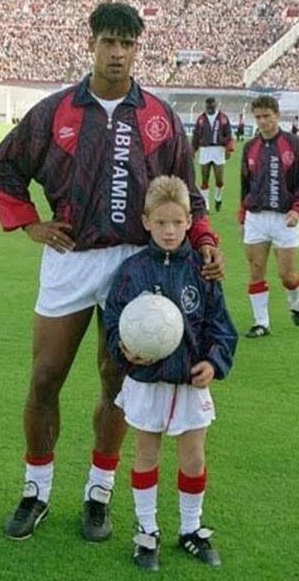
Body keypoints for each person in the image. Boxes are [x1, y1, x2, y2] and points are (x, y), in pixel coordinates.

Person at [0, 2, 224, 543]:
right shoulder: (54, 112)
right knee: (46, 377)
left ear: (137, 48)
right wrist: (30, 225)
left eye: (127, 43)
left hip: (135, 265)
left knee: (117, 383)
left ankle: (99, 493)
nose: (117, 53)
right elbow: (6, 166)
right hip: (71, 258)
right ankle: (36, 490)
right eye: (108, 42)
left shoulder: (159, 117)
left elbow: (186, 193)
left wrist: (205, 240)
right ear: (91, 43)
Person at [104, 176, 237, 571]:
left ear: (189, 222)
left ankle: (191, 529)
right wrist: (124, 351)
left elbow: (221, 326)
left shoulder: (203, 270)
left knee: (193, 458)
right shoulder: (131, 272)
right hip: (146, 383)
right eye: (161, 222)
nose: (169, 230)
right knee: (146, 453)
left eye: (177, 223)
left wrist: (213, 362)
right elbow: (113, 322)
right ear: (145, 221)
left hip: (189, 383)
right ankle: (147, 531)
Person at [239, 96, 299, 338]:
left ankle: (296, 303)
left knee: (287, 275)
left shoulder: (294, 145)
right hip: (256, 218)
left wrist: (298, 209)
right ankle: (262, 323)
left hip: (285, 218)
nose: (262, 122)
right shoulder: (250, 147)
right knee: (256, 269)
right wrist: (243, 215)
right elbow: (245, 185)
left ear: (277, 116)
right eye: (258, 117)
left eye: (267, 116)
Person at [192, 97, 234, 213]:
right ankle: (206, 205)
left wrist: (228, 149)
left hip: (218, 150)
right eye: (208, 107)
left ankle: (218, 198)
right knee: (204, 180)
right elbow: (196, 136)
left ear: (216, 106)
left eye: (212, 107)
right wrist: (193, 150)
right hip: (205, 150)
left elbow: (229, 135)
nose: (209, 109)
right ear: (205, 106)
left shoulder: (223, 118)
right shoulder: (201, 119)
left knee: (219, 179)